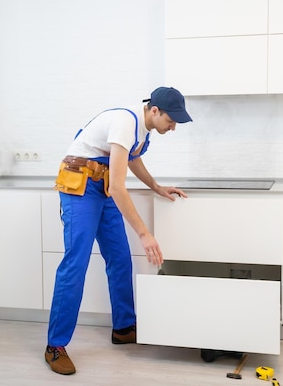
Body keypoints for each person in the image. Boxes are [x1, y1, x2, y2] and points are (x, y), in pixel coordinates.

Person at [45, 86, 192, 375]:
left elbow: (132, 159)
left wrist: (157, 187)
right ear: (154, 110)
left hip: (103, 186)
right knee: (76, 264)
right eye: (171, 120)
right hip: (81, 189)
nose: (173, 127)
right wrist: (144, 233)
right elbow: (118, 186)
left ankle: (124, 328)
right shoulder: (126, 122)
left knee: (120, 258)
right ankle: (55, 345)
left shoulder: (141, 130)